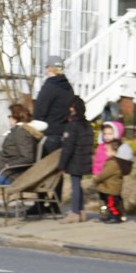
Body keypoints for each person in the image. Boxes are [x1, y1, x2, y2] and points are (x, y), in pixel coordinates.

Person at [58, 96, 94, 224]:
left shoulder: (72, 126)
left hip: (75, 160)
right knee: (79, 185)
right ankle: (81, 211)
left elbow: (68, 147)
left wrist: (62, 164)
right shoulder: (87, 125)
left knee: (75, 186)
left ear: (72, 109)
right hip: (84, 158)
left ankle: (74, 212)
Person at [34, 55, 74, 156]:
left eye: (47, 67)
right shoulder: (68, 88)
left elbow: (39, 111)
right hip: (63, 133)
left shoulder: (49, 87)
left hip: (48, 134)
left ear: (50, 68)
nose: (46, 70)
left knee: (44, 168)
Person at [93, 140, 133, 224]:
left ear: (115, 152)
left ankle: (116, 216)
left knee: (111, 204)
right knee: (109, 204)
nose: (106, 152)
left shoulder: (113, 163)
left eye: (108, 150)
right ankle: (111, 216)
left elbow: (104, 174)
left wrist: (96, 179)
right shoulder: (113, 162)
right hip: (109, 187)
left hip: (111, 189)